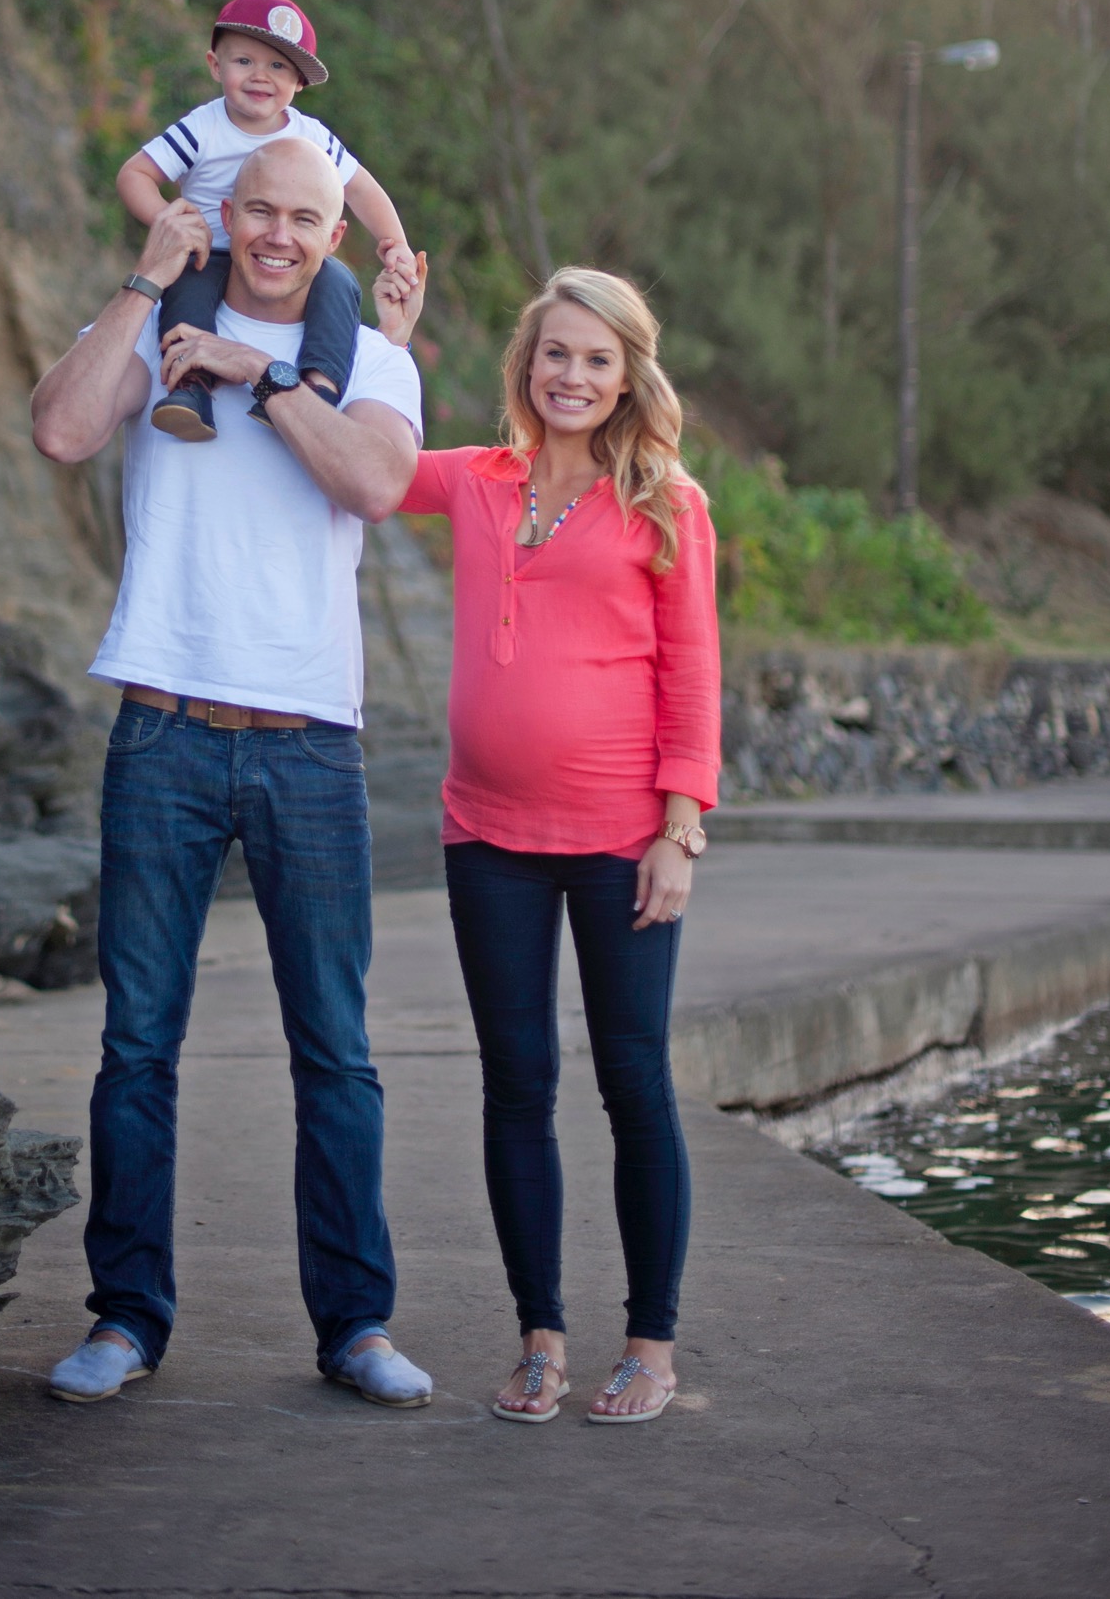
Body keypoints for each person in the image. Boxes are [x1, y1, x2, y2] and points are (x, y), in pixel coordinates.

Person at [29, 135, 434, 1409]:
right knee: (136, 1043)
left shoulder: (371, 361)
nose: (276, 235)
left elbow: (376, 481)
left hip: (309, 740)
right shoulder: (158, 319)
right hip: (163, 726)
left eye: (302, 218)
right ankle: (125, 1318)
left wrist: (263, 377)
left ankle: (355, 1325)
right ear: (222, 208)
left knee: (337, 1050)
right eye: (256, 209)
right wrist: (147, 282)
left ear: (331, 234)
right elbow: (61, 428)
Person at [398, 267, 719, 1425]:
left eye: (596, 358)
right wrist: (381, 342)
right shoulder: (476, 479)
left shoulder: (665, 501)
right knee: (515, 1083)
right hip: (484, 834)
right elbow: (368, 464)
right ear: (525, 364)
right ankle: (539, 1338)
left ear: (627, 376)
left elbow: (692, 674)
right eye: (554, 353)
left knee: (633, 1082)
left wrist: (678, 827)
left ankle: (650, 1347)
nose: (571, 376)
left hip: (620, 837)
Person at [115, 0, 416, 440]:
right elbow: (135, 174)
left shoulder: (312, 136)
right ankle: (191, 388)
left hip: (285, 257)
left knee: (338, 283)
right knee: (186, 293)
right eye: (244, 61)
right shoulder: (204, 127)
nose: (260, 76)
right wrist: (173, 222)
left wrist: (395, 244)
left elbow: (360, 188)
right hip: (208, 252)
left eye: (278, 66)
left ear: (299, 82)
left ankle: (318, 388)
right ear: (216, 65)